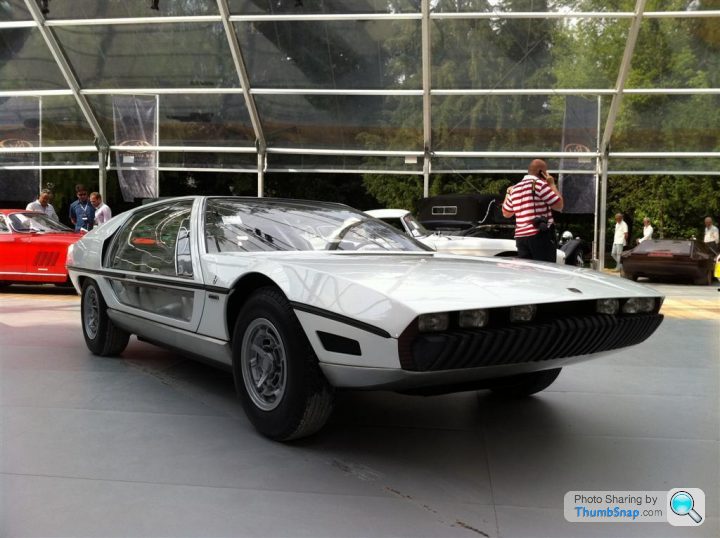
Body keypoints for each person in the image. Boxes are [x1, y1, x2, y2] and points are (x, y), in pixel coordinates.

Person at [502, 159, 563, 262]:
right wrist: (552, 185)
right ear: (542, 172)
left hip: (521, 237)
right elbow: (559, 205)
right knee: (546, 269)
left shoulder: (515, 188)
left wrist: (508, 193)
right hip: (539, 234)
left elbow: (506, 213)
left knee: (527, 271)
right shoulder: (539, 185)